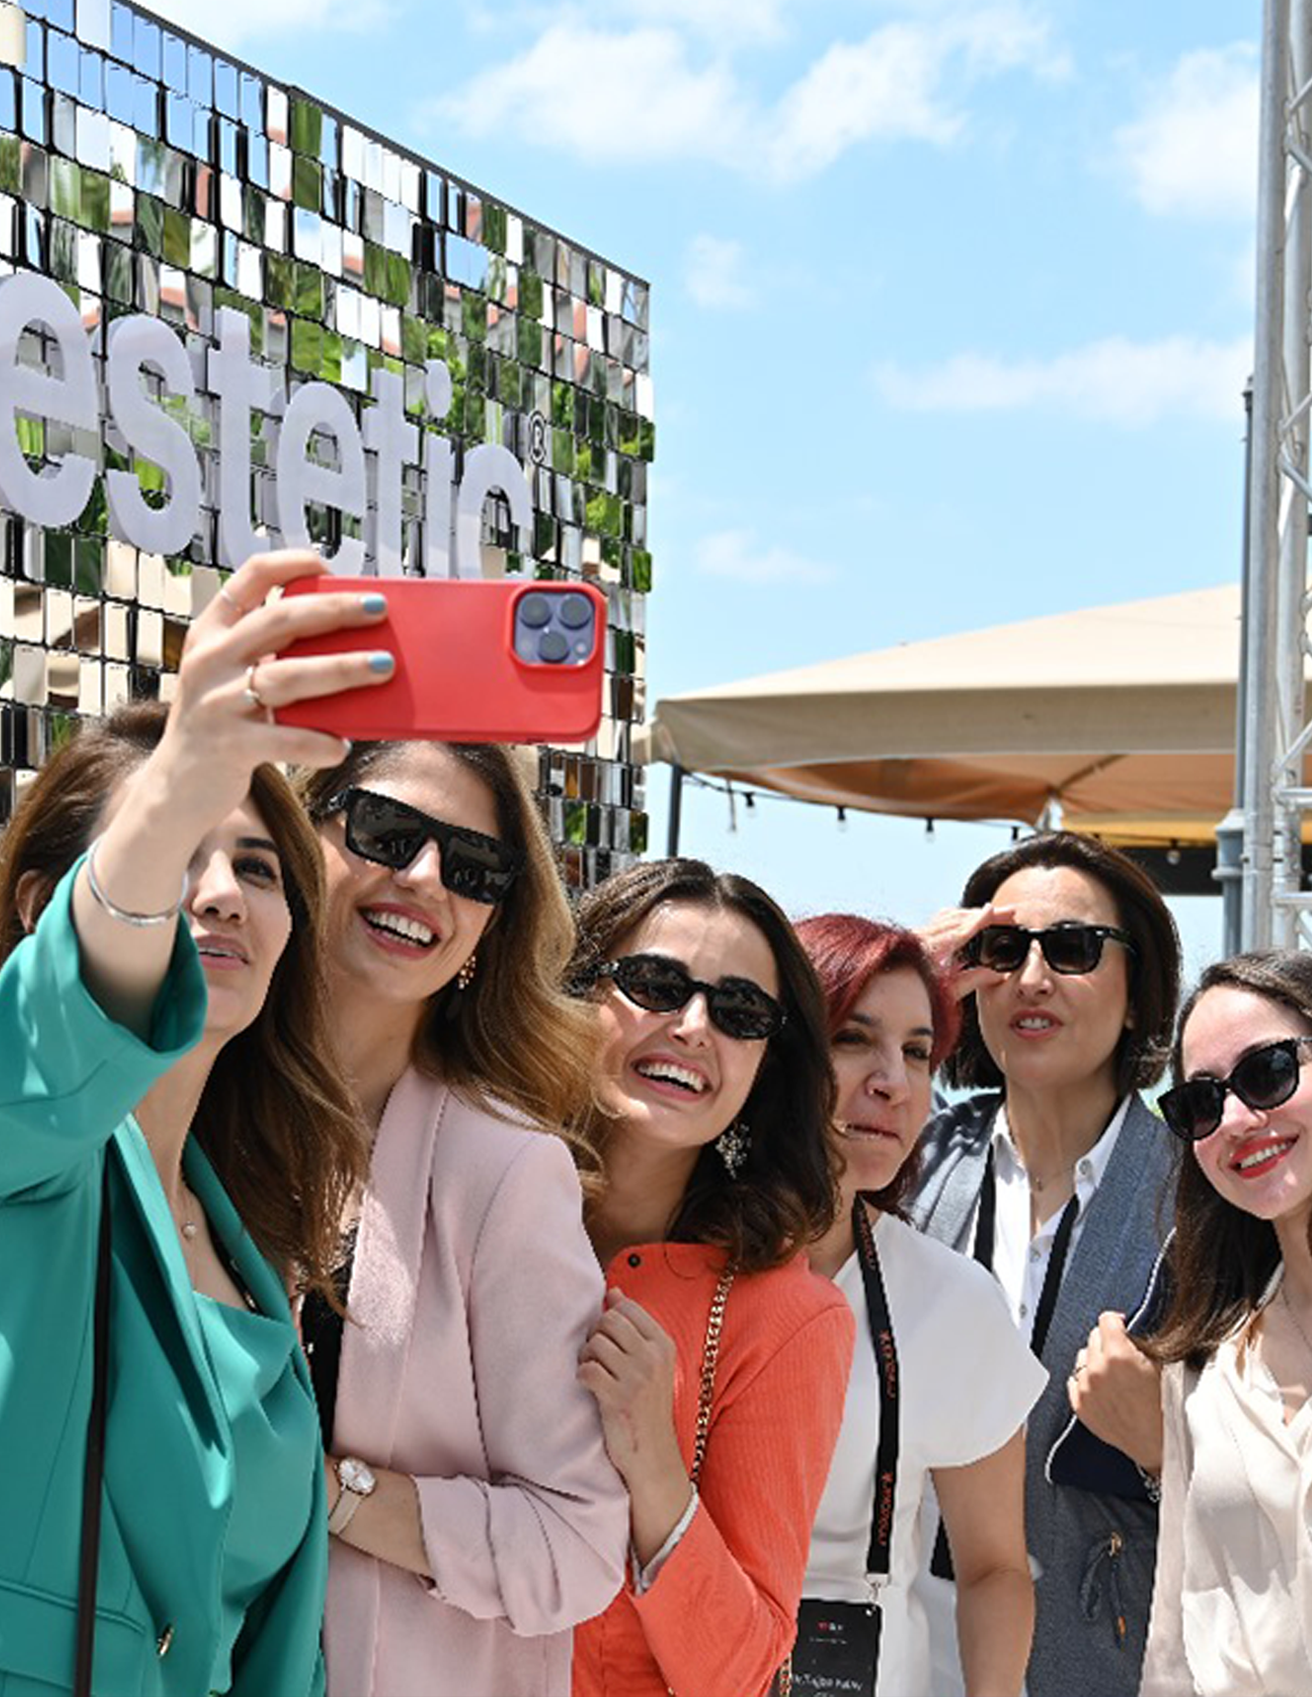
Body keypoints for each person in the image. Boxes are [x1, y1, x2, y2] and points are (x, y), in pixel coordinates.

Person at [0, 549, 392, 1696]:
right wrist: (183, 770)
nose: (222, 891)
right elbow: (52, 1030)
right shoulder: (30, 1145)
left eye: (259, 866)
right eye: (182, 853)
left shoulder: (251, 1234)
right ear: (48, 907)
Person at [297, 741, 629, 1697]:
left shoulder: (507, 1170)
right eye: (386, 831)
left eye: (475, 869)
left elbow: (577, 1542)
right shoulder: (187, 1098)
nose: (425, 877)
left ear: (489, 928)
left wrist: (323, 1491)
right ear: (301, 834)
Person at [567, 858, 857, 1697]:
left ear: (768, 1063)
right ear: (577, 992)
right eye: (656, 984)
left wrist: (654, 1466)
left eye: (740, 1012)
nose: (694, 1026)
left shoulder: (788, 1316)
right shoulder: (459, 1196)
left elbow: (740, 1671)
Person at [910, 831, 1180, 1697]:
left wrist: (1165, 1448)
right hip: (905, 1647)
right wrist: (903, 978)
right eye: (1000, 948)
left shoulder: (1202, 1201)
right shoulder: (906, 1163)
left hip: (1104, 1656)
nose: (1031, 977)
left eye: (1072, 948)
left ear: (1138, 994)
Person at [796, 914, 1046, 1697]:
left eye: (916, 1051)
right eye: (851, 1037)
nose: (894, 1083)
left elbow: (994, 1566)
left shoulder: (951, 1299)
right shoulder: (663, 1254)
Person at [1140, 950, 1312, 1696]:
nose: (1237, 1120)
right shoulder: (1201, 1367)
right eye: (1201, 1103)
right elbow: (1173, 1646)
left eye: (1268, 1072)